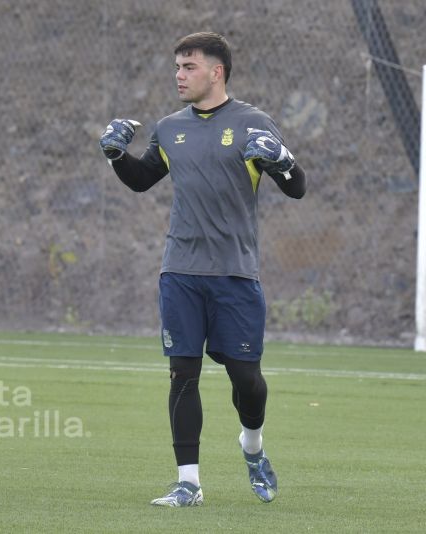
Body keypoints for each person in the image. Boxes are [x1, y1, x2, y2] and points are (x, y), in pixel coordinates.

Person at [100, 32, 306, 507]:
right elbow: (141, 180)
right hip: (181, 271)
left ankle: (251, 446)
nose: (179, 74)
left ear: (217, 72)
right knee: (182, 373)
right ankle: (188, 483)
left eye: (188, 66)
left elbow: (296, 187)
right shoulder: (170, 127)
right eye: (177, 66)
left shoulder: (254, 122)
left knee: (247, 380)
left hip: (235, 273)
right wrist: (116, 156)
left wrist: (283, 160)